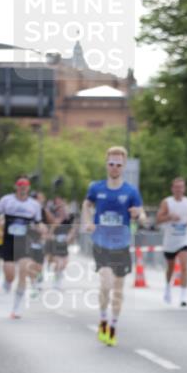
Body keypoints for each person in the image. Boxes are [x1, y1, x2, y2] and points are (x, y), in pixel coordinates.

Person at [81, 146, 143, 347]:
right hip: (101, 243)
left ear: (123, 166)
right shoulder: (96, 188)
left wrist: (137, 214)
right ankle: (102, 320)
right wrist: (88, 221)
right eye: (111, 164)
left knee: (118, 289)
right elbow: (86, 205)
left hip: (122, 245)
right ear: (106, 164)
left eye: (118, 165)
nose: (114, 167)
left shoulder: (130, 191)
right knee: (105, 284)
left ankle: (113, 325)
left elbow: (141, 213)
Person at [0, 176, 45, 319]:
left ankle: (17, 307)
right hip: (8, 242)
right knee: (10, 275)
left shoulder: (34, 205)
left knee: (24, 271)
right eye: (20, 185)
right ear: (16, 186)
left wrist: (42, 229)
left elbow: (38, 222)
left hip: (24, 243)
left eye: (25, 185)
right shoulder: (6, 200)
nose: (22, 187)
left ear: (28, 188)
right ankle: (7, 282)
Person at [155, 176, 187, 307]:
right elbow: (158, 219)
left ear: (184, 188)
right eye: (176, 187)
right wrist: (169, 217)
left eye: (181, 187)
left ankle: (183, 296)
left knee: (184, 265)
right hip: (170, 240)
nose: (179, 189)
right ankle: (168, 287)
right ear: (172, 189)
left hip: (184, 239)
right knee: (171, 267)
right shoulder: (167, 202)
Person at [45, 195, 76, 288]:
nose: (62, 211)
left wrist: (69, 237)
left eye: (63, 209)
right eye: (60, 209)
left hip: (64, 245)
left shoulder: (68, 219)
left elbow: (72, 230)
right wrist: (53, 231)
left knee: (64, 264)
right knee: (59, 263)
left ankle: (58, 276)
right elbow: (49, 233)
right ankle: (56, 281)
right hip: (55, 245)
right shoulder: (53, 219)